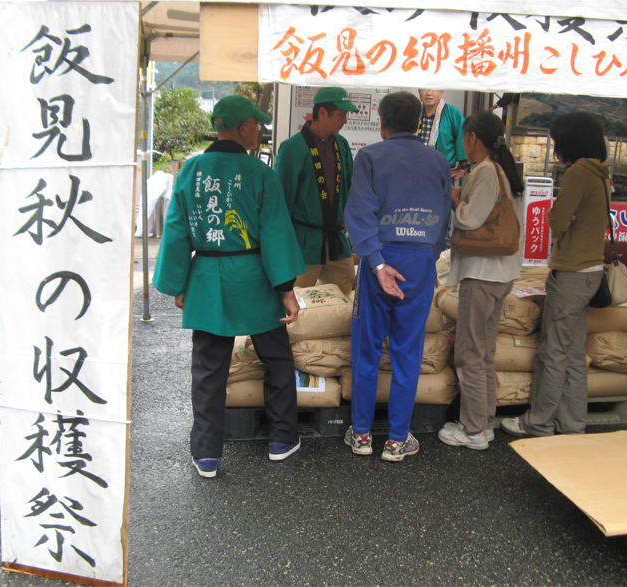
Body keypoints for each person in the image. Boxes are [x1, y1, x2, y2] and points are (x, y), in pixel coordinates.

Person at [154, 95, 306, 477]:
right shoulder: (260, 173)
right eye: (256, 125)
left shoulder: (190, 170)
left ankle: (206, 454)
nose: (259, 131)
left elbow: (176, 229)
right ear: (243, 128)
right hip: (254, 277)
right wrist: (287, 289)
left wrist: (178, 283)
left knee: (209, 368)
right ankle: (282, 439)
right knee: (276, 358)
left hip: (207, 276)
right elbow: (275, 233)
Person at [343, 91, 451, 461]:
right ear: (419, 122)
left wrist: (376, 263)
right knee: (408, 351)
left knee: (367, 349)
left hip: (380, 258)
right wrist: (429, 258)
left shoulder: (370, 156)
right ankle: (397, 440)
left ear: (382, 122)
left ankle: (361, 435)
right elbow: (444, 219)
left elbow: (359, 212)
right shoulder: (438, 160)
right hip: (420, 260)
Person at [501, 111, 611, 438]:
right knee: (574, 354)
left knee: (553, 352)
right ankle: (572, 424)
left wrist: (559, 214)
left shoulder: (579, 173)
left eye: (558, 141)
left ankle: (538, 421)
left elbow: (557, 221)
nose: (556, 148)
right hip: (592, 272)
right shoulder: (601, 174)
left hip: (572, 273)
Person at [437, 112, 525, 450]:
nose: (463, 142)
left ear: (473, 138)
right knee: (484, 352)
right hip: (500, 274)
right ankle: (484, 422)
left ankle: (473, 430)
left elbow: (469, 219)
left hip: (482, 275)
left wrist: (454, 199)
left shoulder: (487, 171)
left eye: (464, 136)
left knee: (470, 353)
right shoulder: (502, 170)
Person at [275, 87, 359, 295]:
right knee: (297, 298)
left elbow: (350, 185)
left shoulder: (341, 145)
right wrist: (282, 244)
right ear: (322, 112)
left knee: (345, 294)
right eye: (341, 115)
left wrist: (349, 217)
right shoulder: (292, 147)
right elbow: (282, 199)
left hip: (336, 240)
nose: (345, 121)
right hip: (305, 242)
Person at [417, 89, 469, 181]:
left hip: (441, 174)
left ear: (441, 91)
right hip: (416, 171)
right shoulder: (415, 113)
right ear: (419, 91)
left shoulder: (453, 113)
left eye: (434, 89)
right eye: (424, 89)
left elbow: (464, 137)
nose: (429, 93)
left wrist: (463, 169)